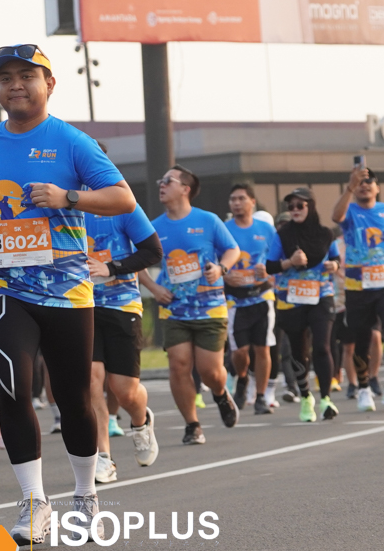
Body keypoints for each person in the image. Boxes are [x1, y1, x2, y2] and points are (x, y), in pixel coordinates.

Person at [0, 43, 138, 545]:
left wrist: (68, 197)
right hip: (3, 284)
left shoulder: (72, 141)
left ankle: (85, 494)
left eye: (26, 76)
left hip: (67, 291)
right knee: (13, 387)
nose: (15, 85)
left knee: (75, 398)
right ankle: (34, 502)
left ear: (49, 85)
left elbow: (123, 198)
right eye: (5, 78)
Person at [140, 165, 241, 443]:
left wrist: (221, 268)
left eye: (168, 180)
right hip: (174, 308)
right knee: (179, 365)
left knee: (210, 372)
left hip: (209, 306)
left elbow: (233, 249)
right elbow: (136, 260)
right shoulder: (153, 227)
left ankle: (220, 393)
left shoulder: (208, 220)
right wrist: (154, 288)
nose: (161, 185)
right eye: (161, 180)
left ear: (185, 189)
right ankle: (192, 424)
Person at [84, 187, 161, 479]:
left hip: (122, 305)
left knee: (124, 390)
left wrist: (111, 268)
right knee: (91, 381)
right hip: (80, 306)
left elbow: (153, 251)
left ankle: (141, 421)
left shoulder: (123, 205)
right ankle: (103, 457)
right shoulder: (62, 207)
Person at [331, 165, 384, 412]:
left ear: (378, 188)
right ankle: (364, 388)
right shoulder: (350, 210)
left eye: (369, 182)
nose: (364, 186)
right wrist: (349, 186)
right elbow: (335, 217)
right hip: (358, 286)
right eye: (361, 183)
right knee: (362, 338)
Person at [259, 190, 340, 421]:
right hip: (291, 297)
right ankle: (306, 397)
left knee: (322, 346)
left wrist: (334, 266)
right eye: (291, 206)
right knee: (298, 350)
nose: (295, 210)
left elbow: (335, 257)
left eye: (300, 205)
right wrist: (290, 262)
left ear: (310, 207)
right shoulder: (283, 235)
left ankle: (326, 399)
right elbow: (270, 266)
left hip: (321, 295)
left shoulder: (325, 233)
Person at [223, 184, 279, 412]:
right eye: (232, 199)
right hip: (235, 300)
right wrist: (225, 274)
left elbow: (278, 259)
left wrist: (269, 273)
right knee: (239, 351)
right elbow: (213, 259)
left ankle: (261, 397)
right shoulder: (223, 229)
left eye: (241, 198)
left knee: (263, 348)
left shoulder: (266, 229)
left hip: (262, 296)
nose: (236, 203)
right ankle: (243, 378)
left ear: (252, 202)